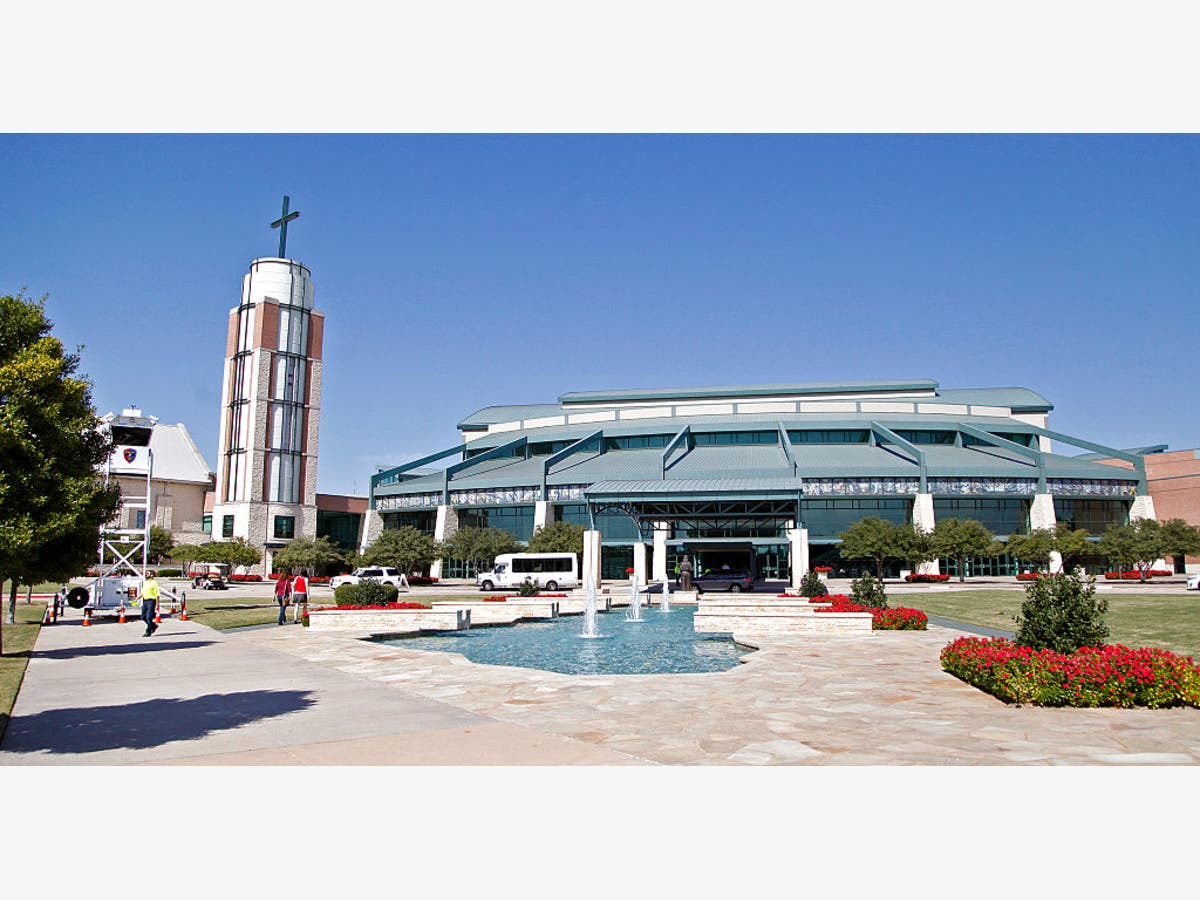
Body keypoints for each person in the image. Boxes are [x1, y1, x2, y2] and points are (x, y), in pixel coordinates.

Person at [142, 571, 161, 636]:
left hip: (151, 601)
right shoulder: (145, 583)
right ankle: (153, 625)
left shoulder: (154, 583)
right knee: (143, 617)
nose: (146, 575)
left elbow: (157, 594)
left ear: (152, 575)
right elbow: (143, 592)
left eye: (148, 574)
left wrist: (157, 605)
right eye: (146, 574)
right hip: (145, 601)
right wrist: (136, 598)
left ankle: (148, 631)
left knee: (148, 617)